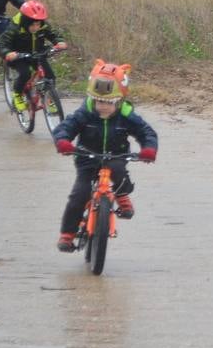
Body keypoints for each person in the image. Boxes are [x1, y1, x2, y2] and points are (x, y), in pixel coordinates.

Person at [52, 60, 158, 252]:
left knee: (119, 173)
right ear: (93, 98)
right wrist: (63, 141)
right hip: (87, 157)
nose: (103, 107)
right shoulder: (86, 112)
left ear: (120, 100)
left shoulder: (126, 114)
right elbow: (67, 126)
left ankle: (122, 196)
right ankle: (67, 235)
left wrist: (149, 149)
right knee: (79, 195)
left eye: (109, 103)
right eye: (99, 101)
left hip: (116, 155)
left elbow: (146, 132)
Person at [0, 0, 68, 112]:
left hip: (37, 54)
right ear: (25, 22)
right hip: (18, 56)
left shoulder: (42, 25)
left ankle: (49, 97)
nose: (36, 27)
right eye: (33, 25)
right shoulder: (15, 28)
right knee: (25, 74)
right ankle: (17, 95)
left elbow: (53, 34)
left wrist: (59, 42)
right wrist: (8, 53)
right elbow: (2, 44)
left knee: (50, 76)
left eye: (38, 24)